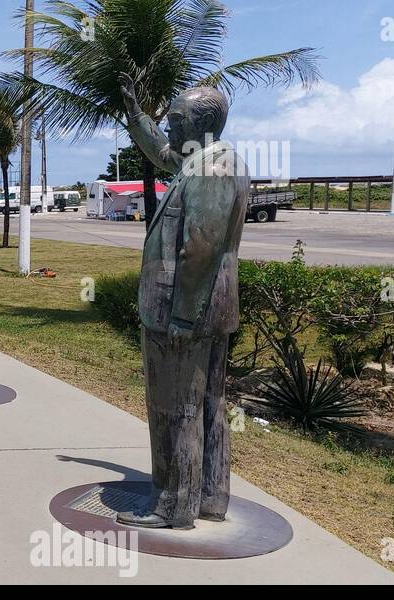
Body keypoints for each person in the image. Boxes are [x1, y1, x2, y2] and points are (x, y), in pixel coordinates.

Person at [114, 73, 250, 530]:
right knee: (208, 404)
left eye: (174, 120)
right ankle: (210, 495)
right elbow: (162, 152)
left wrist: (183, 317)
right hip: (207, 308)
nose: (168, 127)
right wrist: (135, 114)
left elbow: (201, 248)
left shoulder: (212, 168)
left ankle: (175, 505)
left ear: (202, 126)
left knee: (179, 409)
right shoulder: (205, 159)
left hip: (186, 310)